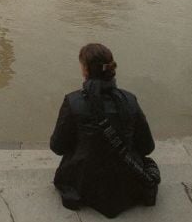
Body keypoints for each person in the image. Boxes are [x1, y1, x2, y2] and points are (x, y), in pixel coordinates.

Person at [50, 43, 158, 218]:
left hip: (84, 183)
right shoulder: (130, 100)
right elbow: (147, 147)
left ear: (85, 70)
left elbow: (57, 147)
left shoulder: (73, 101)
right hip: (126, 184)